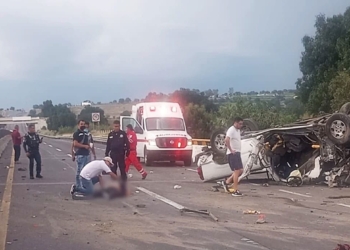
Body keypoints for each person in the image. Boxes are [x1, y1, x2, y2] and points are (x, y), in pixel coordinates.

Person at [220, 117, 244, 196]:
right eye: (240, 124)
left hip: (237, 152)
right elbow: (227, 140)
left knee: (240, 170)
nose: (241, 125)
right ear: (235, 123)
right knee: (236, 171)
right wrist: (231, 149)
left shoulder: (237, 130)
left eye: (241, 124)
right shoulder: (231, 130)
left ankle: (226, 182)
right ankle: (235, 190)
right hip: (233, 153)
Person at [73, 120, 90, 190]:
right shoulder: (77, 133)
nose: (83, 125)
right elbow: (75, 144)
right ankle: (78, 186)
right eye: (81, 124)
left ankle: (83, 186)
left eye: (84, 124)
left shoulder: (86, 134)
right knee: (79, 171)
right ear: (78, 125)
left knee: (85, 172)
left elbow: (88, 142)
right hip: (80, 154)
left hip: (86, 154)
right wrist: (84, 146)